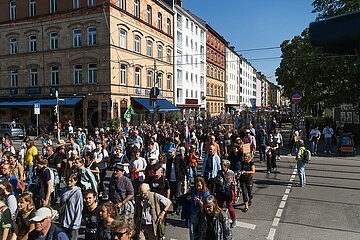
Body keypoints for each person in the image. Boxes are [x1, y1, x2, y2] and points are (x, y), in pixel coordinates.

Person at [59, 174, 83, 240]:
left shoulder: (78, 192)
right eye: (67, 180)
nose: (69, 182)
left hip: (73, 222)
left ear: (75, 181)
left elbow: (79, 208)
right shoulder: (63, 190)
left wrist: (76, 223)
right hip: (64, 221)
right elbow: (61, 204)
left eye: (71, 181)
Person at [165, 148, 186, 215]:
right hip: (170, 180)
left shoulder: (179, 159)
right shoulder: (169, 161)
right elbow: (167, 170)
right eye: (169, 153)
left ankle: (178, 208)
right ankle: (174, 208)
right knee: (172, 195)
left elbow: (184, 168)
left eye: (171, 152)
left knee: (177, 195)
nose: (170, 154)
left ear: (174, 152)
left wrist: (184, 177)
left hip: (177, 179)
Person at [215, 160, 236, 228]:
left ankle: (234, 220)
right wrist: (214, 191)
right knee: (219, 206)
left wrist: (234, 192)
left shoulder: (231, 173)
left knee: (229, 206)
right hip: (220, 191)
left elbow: (234, 183)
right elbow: (217, 182)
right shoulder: (219, 172)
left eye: (223, 165)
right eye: (221, 165)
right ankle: (220, 219)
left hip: (228, 191)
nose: (221, 166)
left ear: (226, 166)